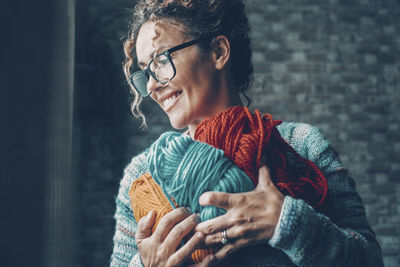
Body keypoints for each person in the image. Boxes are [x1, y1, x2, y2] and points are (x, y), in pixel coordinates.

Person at [110, 0, 384, 266]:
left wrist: (287, 223)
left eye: (161, 59)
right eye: (145, 71)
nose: (153, 85)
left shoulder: (301, 146)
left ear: (218, 52)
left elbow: (369, 259)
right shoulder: (143, 175)